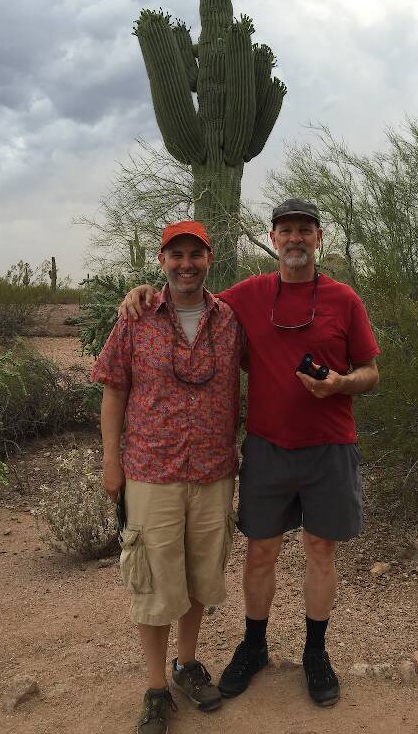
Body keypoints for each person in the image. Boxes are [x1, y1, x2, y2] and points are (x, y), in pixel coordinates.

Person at [119, 198, 380, 709]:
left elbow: (372, 372)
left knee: (320, 552)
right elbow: (189, 298)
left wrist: (344, 383)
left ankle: (315, 653)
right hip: (266, 448)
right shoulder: (250, 294)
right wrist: (143, 292)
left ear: (318, 238)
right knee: (261, 551)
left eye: (305, 230)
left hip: (330, 447)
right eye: (287, 231)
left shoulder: (344, 299)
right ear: (274, 238)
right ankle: (255, 645)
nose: (295, 239)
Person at [91, 221, 243, 734]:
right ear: (161, 261)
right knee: (153, 581)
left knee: (201, 574)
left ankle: (187, 664)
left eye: (194, 255)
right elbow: (113, 390)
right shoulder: (135, 318)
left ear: (209, 259)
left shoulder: (229, 321)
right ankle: (156, 687)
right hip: (151, 470)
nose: (185, 264)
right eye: (175, 255)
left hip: (212, 469)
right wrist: (112, 462)